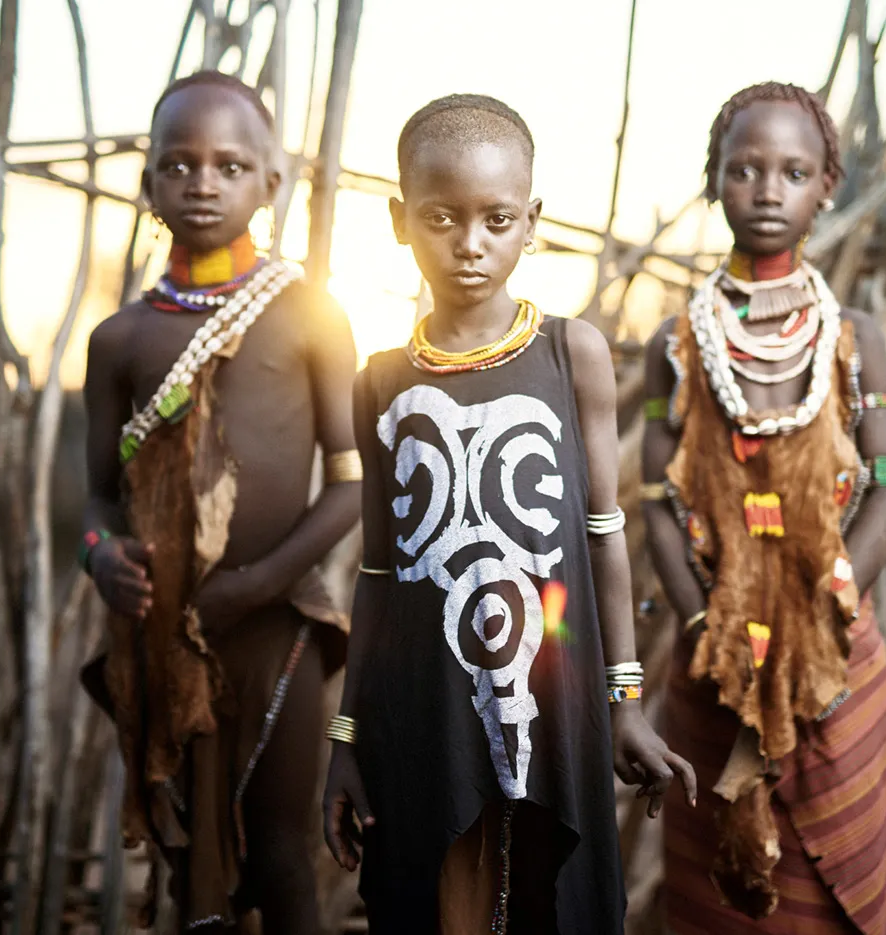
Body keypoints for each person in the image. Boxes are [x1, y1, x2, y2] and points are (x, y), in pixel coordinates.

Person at [321, 93, 698, 935]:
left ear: (532, 221)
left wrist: (623, 700)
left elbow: (604, 537)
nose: (469, 243)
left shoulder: (574, 353)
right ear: (397, 221)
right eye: (441, 217)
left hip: (553, 699)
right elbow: (381, 574)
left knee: (547, 900)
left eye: (496, 219)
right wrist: (347, 736)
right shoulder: (380, 381)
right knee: (434, 904)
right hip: (420, 707)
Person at [79, 70, 360, 934]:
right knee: (181, 853)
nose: (203, 182)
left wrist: (261, 583)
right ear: (150, 181)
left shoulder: (310, 315)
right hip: (163, 631)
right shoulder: (120, 338)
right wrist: (99, 555)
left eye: (231, 165)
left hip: (278, 628)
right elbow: (96, 493)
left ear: (271, 184)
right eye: (180, 163)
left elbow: (354, 482)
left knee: (278, 854)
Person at [640, 82, 886, 934]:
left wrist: (830, 603)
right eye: (745, 169)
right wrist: (704, 633)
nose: (768, 189)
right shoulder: (676, 346)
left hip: (838, 656)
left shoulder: (854, 338)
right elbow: (656, 501)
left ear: (827, 183)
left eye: (794, 171)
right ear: (713, 180)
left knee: (845, 887)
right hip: (712, 663)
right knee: (724, 896)